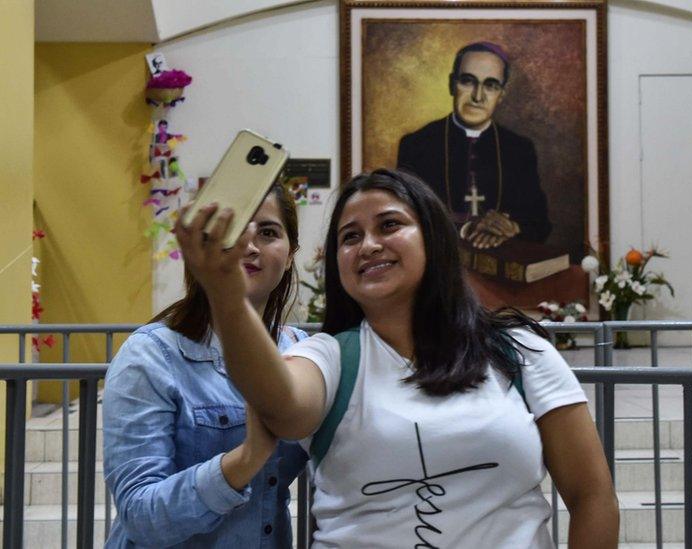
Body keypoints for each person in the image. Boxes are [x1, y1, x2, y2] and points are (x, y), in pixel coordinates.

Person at [174, 168, 619, 547]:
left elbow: (592, 495)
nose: (368, 245)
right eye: (350, 237)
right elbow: (284, 408)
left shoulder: (517, 351)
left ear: (433, 236)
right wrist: (227, 296)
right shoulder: (330, 356)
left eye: (389, 225)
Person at [102, 183, 308, 548]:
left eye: (268, 232)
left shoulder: (301, 352)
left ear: (290, 254)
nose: (250, 245)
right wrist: (244, 461)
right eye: (235, 229)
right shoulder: (150, 355)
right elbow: (139, 516)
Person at [397, 42, 551, 250]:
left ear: (501, 95)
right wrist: (466, 229)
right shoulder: (417, 145)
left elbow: (541, 224)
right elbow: (405, 221)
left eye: (490, 85)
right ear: (452, 84)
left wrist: (511, 227)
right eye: (468, 82)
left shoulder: (520, 149)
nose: (478, 96)